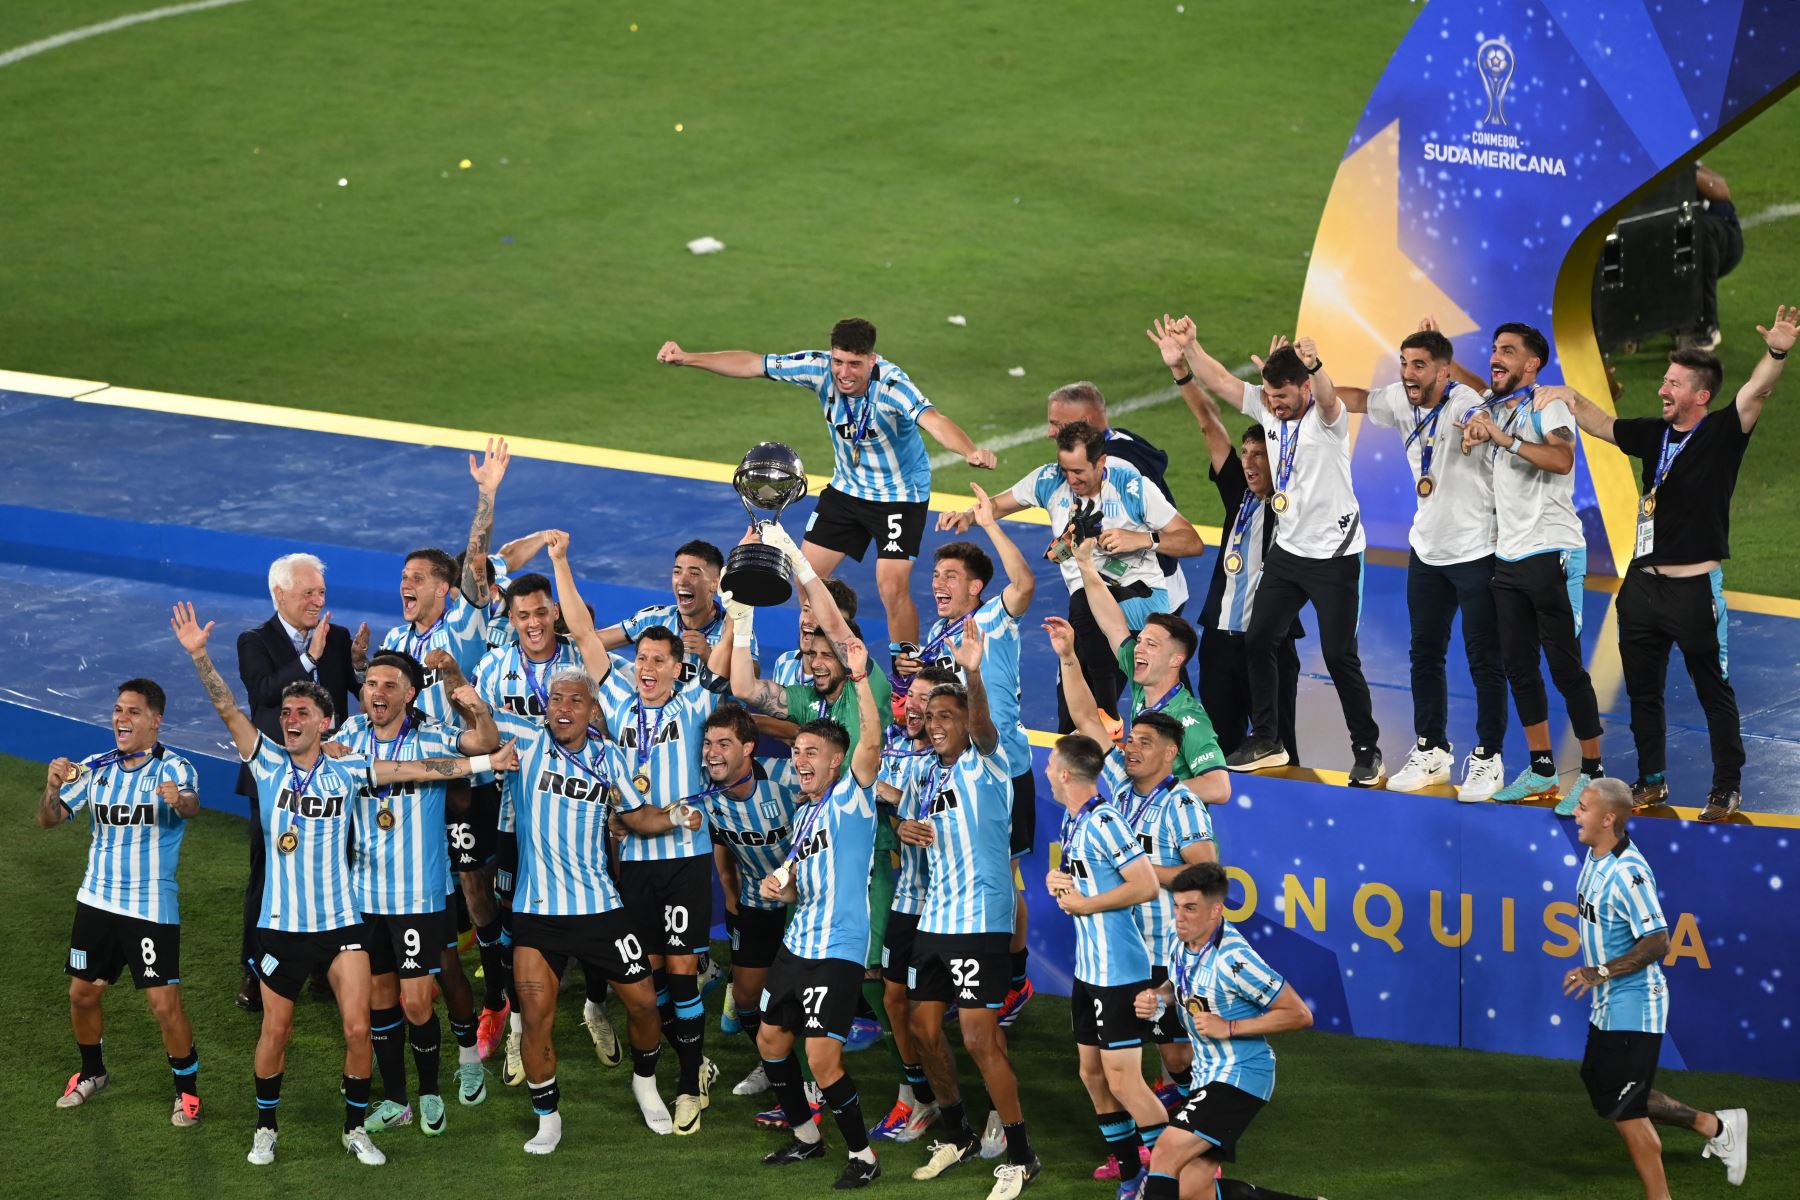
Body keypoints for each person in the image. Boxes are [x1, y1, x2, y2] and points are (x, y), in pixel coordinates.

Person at [171, 601, 509, 1168]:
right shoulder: (268, 761)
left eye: (302, 710)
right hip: (286, 926)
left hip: (347, 922)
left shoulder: (350, 766)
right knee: (280, 1030)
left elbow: (421, 770)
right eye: (286, 711)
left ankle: (363, 1124)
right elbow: (227, 706)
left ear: (325, 722)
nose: (291, 718)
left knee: (369, 1024)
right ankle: (266, 1129)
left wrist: (486, 763)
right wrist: (200, 655)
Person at [1543, 306, 1793, 821]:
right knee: (1642, 689)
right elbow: (1605, 425)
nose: (1663, 389)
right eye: (1665, 379)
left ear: (1700, 395)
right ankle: (1651, 780)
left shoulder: (1725, 432)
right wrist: (1570, 397)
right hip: (1641, 587)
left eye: (1674, 383)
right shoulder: (1654, 435)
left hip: (1693, 591)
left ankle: (1726, 787)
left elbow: (1758, 391)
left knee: (1711, 689)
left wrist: (1777, 352)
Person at [656, 317, 996, 645]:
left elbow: (935, 420)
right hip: (847, 491)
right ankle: (832, 649)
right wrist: (688, 358)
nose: (844, 374)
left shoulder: (893, 386)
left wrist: (969, 450)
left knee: (891, 587)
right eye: (838, 362)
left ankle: (904, 674)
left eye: (854, 364)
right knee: (805, 580)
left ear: (871, 360)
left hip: (899, 496)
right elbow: (753, 364)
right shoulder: (818, 368)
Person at [549, 530, 724, 1135]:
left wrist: (745, 598)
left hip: (684, 858)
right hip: (632, 859)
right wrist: (562, 562)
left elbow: (729, 662)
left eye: (658, 662)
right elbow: (577, 626)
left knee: (681, 972)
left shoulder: (697, 703)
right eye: (641, 660)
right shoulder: (618, 697)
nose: (646, 669)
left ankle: (687, 1079)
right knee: (647, 979)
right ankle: (675, 1066)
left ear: (679, 667)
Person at [1178, 327, 1384, 784]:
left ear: (1304, 386)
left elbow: (1330, 398)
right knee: (1259, 638)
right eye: (1270, 395)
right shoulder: (1269, 410)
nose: (1276, 404)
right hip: (1289, 553)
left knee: (1338, 655)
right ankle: (1268, 738)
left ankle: (1367, 750)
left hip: (1336, 556)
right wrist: (1192, 348)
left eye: (1285, 396)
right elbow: (1223, 383)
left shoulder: (1328, 421)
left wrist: (1316, 365)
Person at [1312, 322, 1509, 801]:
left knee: (1484, 659)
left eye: (1418, 365)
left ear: (1444, 372)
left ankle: (1490, 756)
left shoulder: (1466, 404)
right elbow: (1353, 399)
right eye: (1403, 363)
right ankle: (1432, 749)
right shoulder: (1402, 400)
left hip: (1476, 551)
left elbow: (1490, 401)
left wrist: (1481, 422)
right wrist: (1310, 377)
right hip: (1426, 552)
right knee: (1425, 655)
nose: (1407, 373)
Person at [1051, 618, 1217, 1165]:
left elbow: (1208, 878)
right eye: (1130, 740)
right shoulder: (1116, 787)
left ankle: (1197, 1139)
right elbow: (1083, 717)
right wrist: (1070, 657)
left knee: (1172, 1051)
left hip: (1163, 951)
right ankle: (1144, 1154)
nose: (1130, 749)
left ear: (1171, 753)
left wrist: (1142, 873)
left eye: (1144, 743)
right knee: (1121, 1064)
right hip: (1120, 951)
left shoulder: (1183, 805)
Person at [487, 666, 669, 1152]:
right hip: (537, 913)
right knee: (535, 1016)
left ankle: (645, 1083)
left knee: (646, 1003)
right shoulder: (525, 738)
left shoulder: (609, 757)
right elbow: (481, 732)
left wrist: (681, 816)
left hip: (600, 909)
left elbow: (637, 816)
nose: (563, 708)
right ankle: (547, 1118)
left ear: (593, 711)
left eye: (574, 701)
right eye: (556, 699)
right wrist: (460, 684)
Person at [331, 651, 502, 1134]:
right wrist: (325, 749)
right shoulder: (348, 735)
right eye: (371, 685)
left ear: (409, 694)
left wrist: (479, 711)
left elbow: (482, 746)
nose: (377, 693)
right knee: (381, 1002)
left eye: (389, 685)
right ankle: (397, 1099)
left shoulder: (432, 734)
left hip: (420, 897)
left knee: (418, 1003)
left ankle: (438, 1084)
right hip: (365, 896)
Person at [898, 624, 1041, 1200]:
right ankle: (954, 1132)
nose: (935, 726)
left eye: (945, 717)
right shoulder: (930, 772)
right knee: (923, 1027)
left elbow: (982, 726)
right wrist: (901, 826)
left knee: (981, 1038)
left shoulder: (992, 759)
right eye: (931, 718)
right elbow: (907, 813)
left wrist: (975, 673)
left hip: (981, 920)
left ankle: (1020, 1152)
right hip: (935, 919)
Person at [942, 421, 1204, 733]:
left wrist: (1143, 539)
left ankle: (1114, 716)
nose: (1071, 479)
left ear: (1101, 462)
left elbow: (1192, 541)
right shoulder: (1049, 480)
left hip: (1141, 598)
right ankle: (1094, 732)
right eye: (1065, 469)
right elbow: (1000, 505)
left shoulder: (1133, 487)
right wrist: (968, 516)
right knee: (1073, 707)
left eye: (1079, 471)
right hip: (1091, 608)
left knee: (1159, 689)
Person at [1563, 778, 1748, 1195]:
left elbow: (1658, 940)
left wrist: (1601, 971)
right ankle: (1716, 1126)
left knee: (1626, 1109)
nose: (1576, 810)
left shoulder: (1629, 874)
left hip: (1634, 1004)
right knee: (1602, 1084)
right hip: (1609, 1002)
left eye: (1585, 806)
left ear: (1608, 818)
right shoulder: (1596, 856)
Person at [40, 680, 203, 1127]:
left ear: (155, 720)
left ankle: (186, 1093)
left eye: (132, 711)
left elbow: (191, 805)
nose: (121, 719)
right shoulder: (96, 768)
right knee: (83, 993)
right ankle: (92, 1073)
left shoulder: (176, 767)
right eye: (117, 710)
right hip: (96, 900)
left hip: (150, 906)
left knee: (164, 1005)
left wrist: (179, 800)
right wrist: (52, 788)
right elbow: (49, 819)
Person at [755, 642, 885, 1190]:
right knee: (769, 1042)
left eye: (811, 752)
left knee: (823, 1058)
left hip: (838, 947)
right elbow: (795, 883)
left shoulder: (853, 796)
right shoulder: (807, 816)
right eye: (796, 752)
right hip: (798, 944)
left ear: (836, 760)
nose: (799, 761)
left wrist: (859, 681)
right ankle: (808, 1137)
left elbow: (872, 742)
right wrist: (777, 888)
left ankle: (864, 1154)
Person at [1460, 324, 1605, 813]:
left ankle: (1592, 774)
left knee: (1565, 668)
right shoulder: (1497, 402)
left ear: (1532, 364)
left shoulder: (1548, 406)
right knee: (1519, 667)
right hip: (1509, 557)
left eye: (1508, 352)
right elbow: (1470, 383)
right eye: (1494, 350)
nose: (1496, 358)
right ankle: (1542, 768)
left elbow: (1563, 459)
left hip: (1552, 552)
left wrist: (1503, 438)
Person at [910, 486, 1039, 1023]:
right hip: (954, 772)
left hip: (1001, 768)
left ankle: (1014, 980)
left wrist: (989, 523)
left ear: (976, 587)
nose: (938, 584)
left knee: (1001, 875)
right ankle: (971, 972)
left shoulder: (992, 621)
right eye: (936, 576)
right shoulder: (938, 636)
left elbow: (1026, 584)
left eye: (950, 577)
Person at [1151, 317, 1301, 763]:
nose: (1250, 463)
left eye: (1261, 455)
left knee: (1280, 747)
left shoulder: (1294, 502)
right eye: (1246, 454)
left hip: (1270, 642)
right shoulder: (1237, 490)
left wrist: (1283, 388)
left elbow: (1304, 442)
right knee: (1215, 745)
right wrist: (1180, 371)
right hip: (1219, 638)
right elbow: (1208, 422)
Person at [1133, 863, 1319, 1200]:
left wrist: (1231, 1026)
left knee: (1166, 1150)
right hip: (1208, 1075)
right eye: (1176, 906)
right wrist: (1156, 998)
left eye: (1190, 908)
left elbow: (1299, 1014)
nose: (1180, 917)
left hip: (1241, 1074)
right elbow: (1176, 985)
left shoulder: (1235, 959)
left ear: (1215, 910)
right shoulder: (1182, 944)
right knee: (1193, 1190)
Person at [234, 551, 367, 1012]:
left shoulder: (339, 638)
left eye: (321, 592)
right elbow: (264, 693)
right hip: (275, 785)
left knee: (332, 871)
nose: (317, 600)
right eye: (308, 592)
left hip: (330, 783)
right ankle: (255, 970)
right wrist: (309, 657)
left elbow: (359, 695)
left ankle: (322, 967)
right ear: (279, 593)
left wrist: (363, 667)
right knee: (266, 877)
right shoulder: (254, 641)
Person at [471, 574, 587, 1075]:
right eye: (523, 615)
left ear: (554, 611)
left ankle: (595, 1005)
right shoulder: (495, 667)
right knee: (515, 915)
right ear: (511, 619)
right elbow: (476, 732)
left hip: (576, 812)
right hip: (514, 812)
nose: (534, 623)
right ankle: (517, 1026)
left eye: (541, 612)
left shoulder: (581, 662)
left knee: (592, 904)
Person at [1041, 734, 1165, 1200]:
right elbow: (1085, 885)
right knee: (1091, 1074)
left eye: (1053, 764)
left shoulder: (1106, 820)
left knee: (1124, 1081)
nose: (1048, 771)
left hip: (1119, 973)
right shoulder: (1073, 823)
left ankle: (1170, 1174)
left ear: (1068, 773)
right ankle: (1133, 1172)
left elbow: (1146, 885)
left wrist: (1088, 903)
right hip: (1088, 971)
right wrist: (1061, 882)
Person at [689, 704, 803, 1097]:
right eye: (707, 743)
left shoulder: (786, 776)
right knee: (745, 997)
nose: (712, 752)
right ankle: (773, 1065)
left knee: (799, 993)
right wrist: (730, 887)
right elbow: (720, 839)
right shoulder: (704, 788)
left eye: (724, 743)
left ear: (749, 747)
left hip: (806, 901)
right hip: (756, 896)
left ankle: (811, 1075)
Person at [1067, 542, 1229, 804]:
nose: (1138, 648)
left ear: (1176, 660)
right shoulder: (1145, 682)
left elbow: (1219, 788)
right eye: (1140, 640)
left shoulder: (1187, 718)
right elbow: (1113, 625)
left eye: (1150, 644)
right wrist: (1085, 564)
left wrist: (1150, 792)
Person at [869, 667, 958, 1144]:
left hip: (946, 907)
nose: (914, 705)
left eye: (927, 698)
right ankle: (917, 1097)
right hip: (906, 899)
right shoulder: (894, 752)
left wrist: (892, 800)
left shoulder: (959, 760)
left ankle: (955, 1107)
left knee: (939, 1015)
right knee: (893, 998)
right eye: (911, 695)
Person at [378, 439, 511, 726]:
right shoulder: (394, 639)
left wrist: (487, 493)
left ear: (442, 588)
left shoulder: (463, 627)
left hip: (456, 755)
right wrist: (360, 665)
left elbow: (476, 560)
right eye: (404, 577)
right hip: (405, 758)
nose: (405, 584)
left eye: (417, 578)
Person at [1044, 380, 1190, 619]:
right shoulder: (1124, 441)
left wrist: (1059, 552)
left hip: (1137, 600)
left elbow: (1082, 543)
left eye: (1058, 424)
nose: (1050, 433)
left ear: (1086, 423)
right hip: (1166, 584)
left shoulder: (1111, 470)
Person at [597, 539, 755, 682]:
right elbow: (591, 642)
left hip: (713, 713)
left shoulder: (734, 627)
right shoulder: (654, 618)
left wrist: (709, 655)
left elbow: (752, 679)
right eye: (677, 572)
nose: (682, 580)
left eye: (694, 573)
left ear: (715, 584)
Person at [1687, 164, 1746, 351]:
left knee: (1699, 230)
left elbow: (1721, 189)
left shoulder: (1676, 158)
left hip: (1724, 240)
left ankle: (1709, 325)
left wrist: (1682, 171)